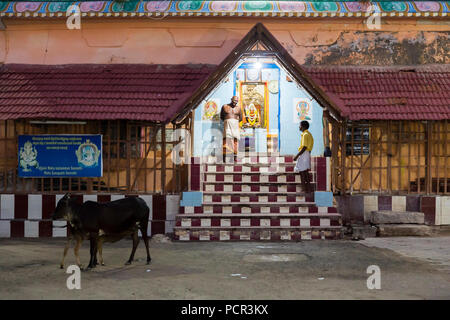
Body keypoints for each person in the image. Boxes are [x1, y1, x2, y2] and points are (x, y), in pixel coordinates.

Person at [293, 120, 314, 194]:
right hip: (307, 154)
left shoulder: (305, 135)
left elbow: (304, 147)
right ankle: (308, 189)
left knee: (302, 172)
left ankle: (304, 189)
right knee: (305, 172)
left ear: (303, 126)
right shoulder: (309, 134)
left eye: (300, 125)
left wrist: (297, 155)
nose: (299, 127)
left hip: (304, 154)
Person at [220, 96, 242, 161]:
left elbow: (240, 118)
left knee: (235, 141)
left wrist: (234, 121)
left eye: (237, 101)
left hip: (235, 125)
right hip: (227, 125)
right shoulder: (224, 106)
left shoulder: (239, 108)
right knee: (226, 140)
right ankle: (224, 158)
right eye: (234, 100)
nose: (235, 102)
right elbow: (222, 117)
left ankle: (235, 157)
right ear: (231, 99)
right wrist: (228, 121)